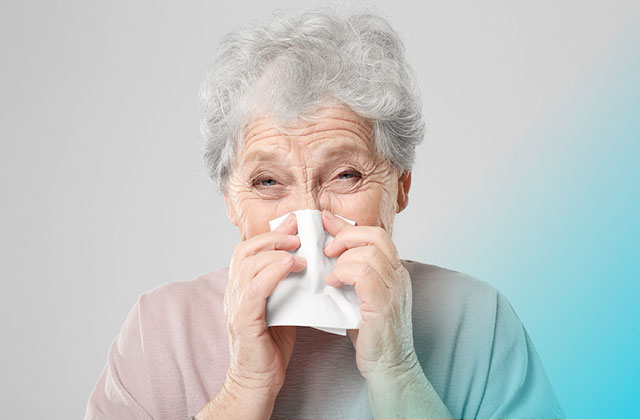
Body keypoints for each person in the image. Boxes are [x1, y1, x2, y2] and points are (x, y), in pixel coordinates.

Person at [85, 9, 564, 420]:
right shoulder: (161, 331)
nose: (306, 217)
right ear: (231, 200)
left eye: (346, 175)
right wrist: (244, 388)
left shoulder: (478, 321)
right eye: (268, 182)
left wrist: (396, 371)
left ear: (400, 186)